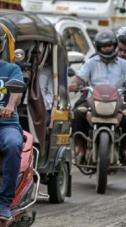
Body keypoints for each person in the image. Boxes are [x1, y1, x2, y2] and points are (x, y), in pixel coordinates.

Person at [69, 29, 126, 163]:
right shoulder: (91, 62)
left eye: (109, 45)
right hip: (92, 101)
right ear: (98, 47)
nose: (107, 49)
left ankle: (125, 149)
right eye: (103, 46)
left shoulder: (124, 64)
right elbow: (80, 78)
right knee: (77, 114)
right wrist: (75, 84)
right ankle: (81, 149)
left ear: (114, 45)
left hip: (118, 101)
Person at [0, 27, 24, 220]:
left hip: (6, 124)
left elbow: (16, 91)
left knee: (13, 143)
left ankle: (4, 202)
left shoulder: (11, 69)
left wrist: (9, 105)